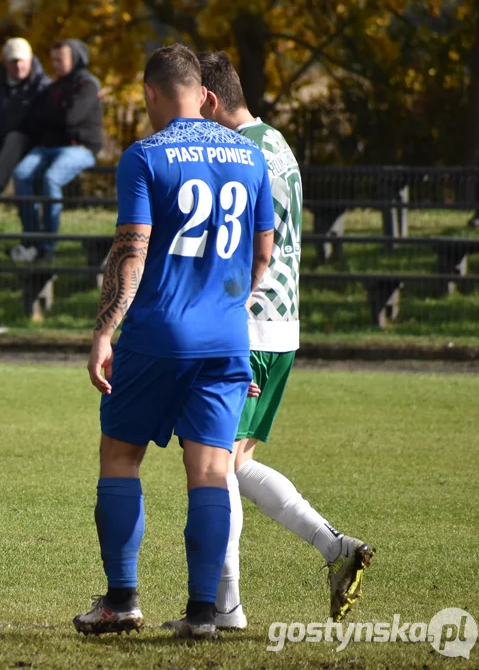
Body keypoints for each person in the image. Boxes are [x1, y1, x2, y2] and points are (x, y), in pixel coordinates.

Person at [73, 43, 275, 640]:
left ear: (151, 93)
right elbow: (263, 254)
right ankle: (203, 615)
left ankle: (121, 601)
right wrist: (225, 310)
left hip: (157, 333)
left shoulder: (144, 156)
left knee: (120, 457)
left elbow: (132, 248)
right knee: (212, 471)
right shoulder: (248, 153)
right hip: (225, 338)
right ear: (205, 92)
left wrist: (105, 328)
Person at [195, 50, 374, 631]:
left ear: (211, 101)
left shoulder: (238, 153)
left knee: (217, 469)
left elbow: (244, 248)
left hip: (248, 322)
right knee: (236, 462)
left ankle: (226, 608)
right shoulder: (277, 142)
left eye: (193, 108)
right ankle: (335, 548)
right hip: (282, 324)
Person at [10, 39, 103, 263]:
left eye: (60, 59)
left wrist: (51, 118)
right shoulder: (53, 88)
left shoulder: (88, 85)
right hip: (49, 146)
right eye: (53, 60)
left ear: (75, 59)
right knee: (21, 174)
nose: (55, 64)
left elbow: (73, 118)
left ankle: (49, 244)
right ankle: (32, 238)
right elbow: (33, 119)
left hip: (80, 147)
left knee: (51, 178)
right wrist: (56, 117)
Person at [0, 38, 50, 195]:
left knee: (15, 138)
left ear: (30, 59)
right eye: (13, 61)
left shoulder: (43, 86)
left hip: (32, 144)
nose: (18, 66)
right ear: (4, 62)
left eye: (22, 61)